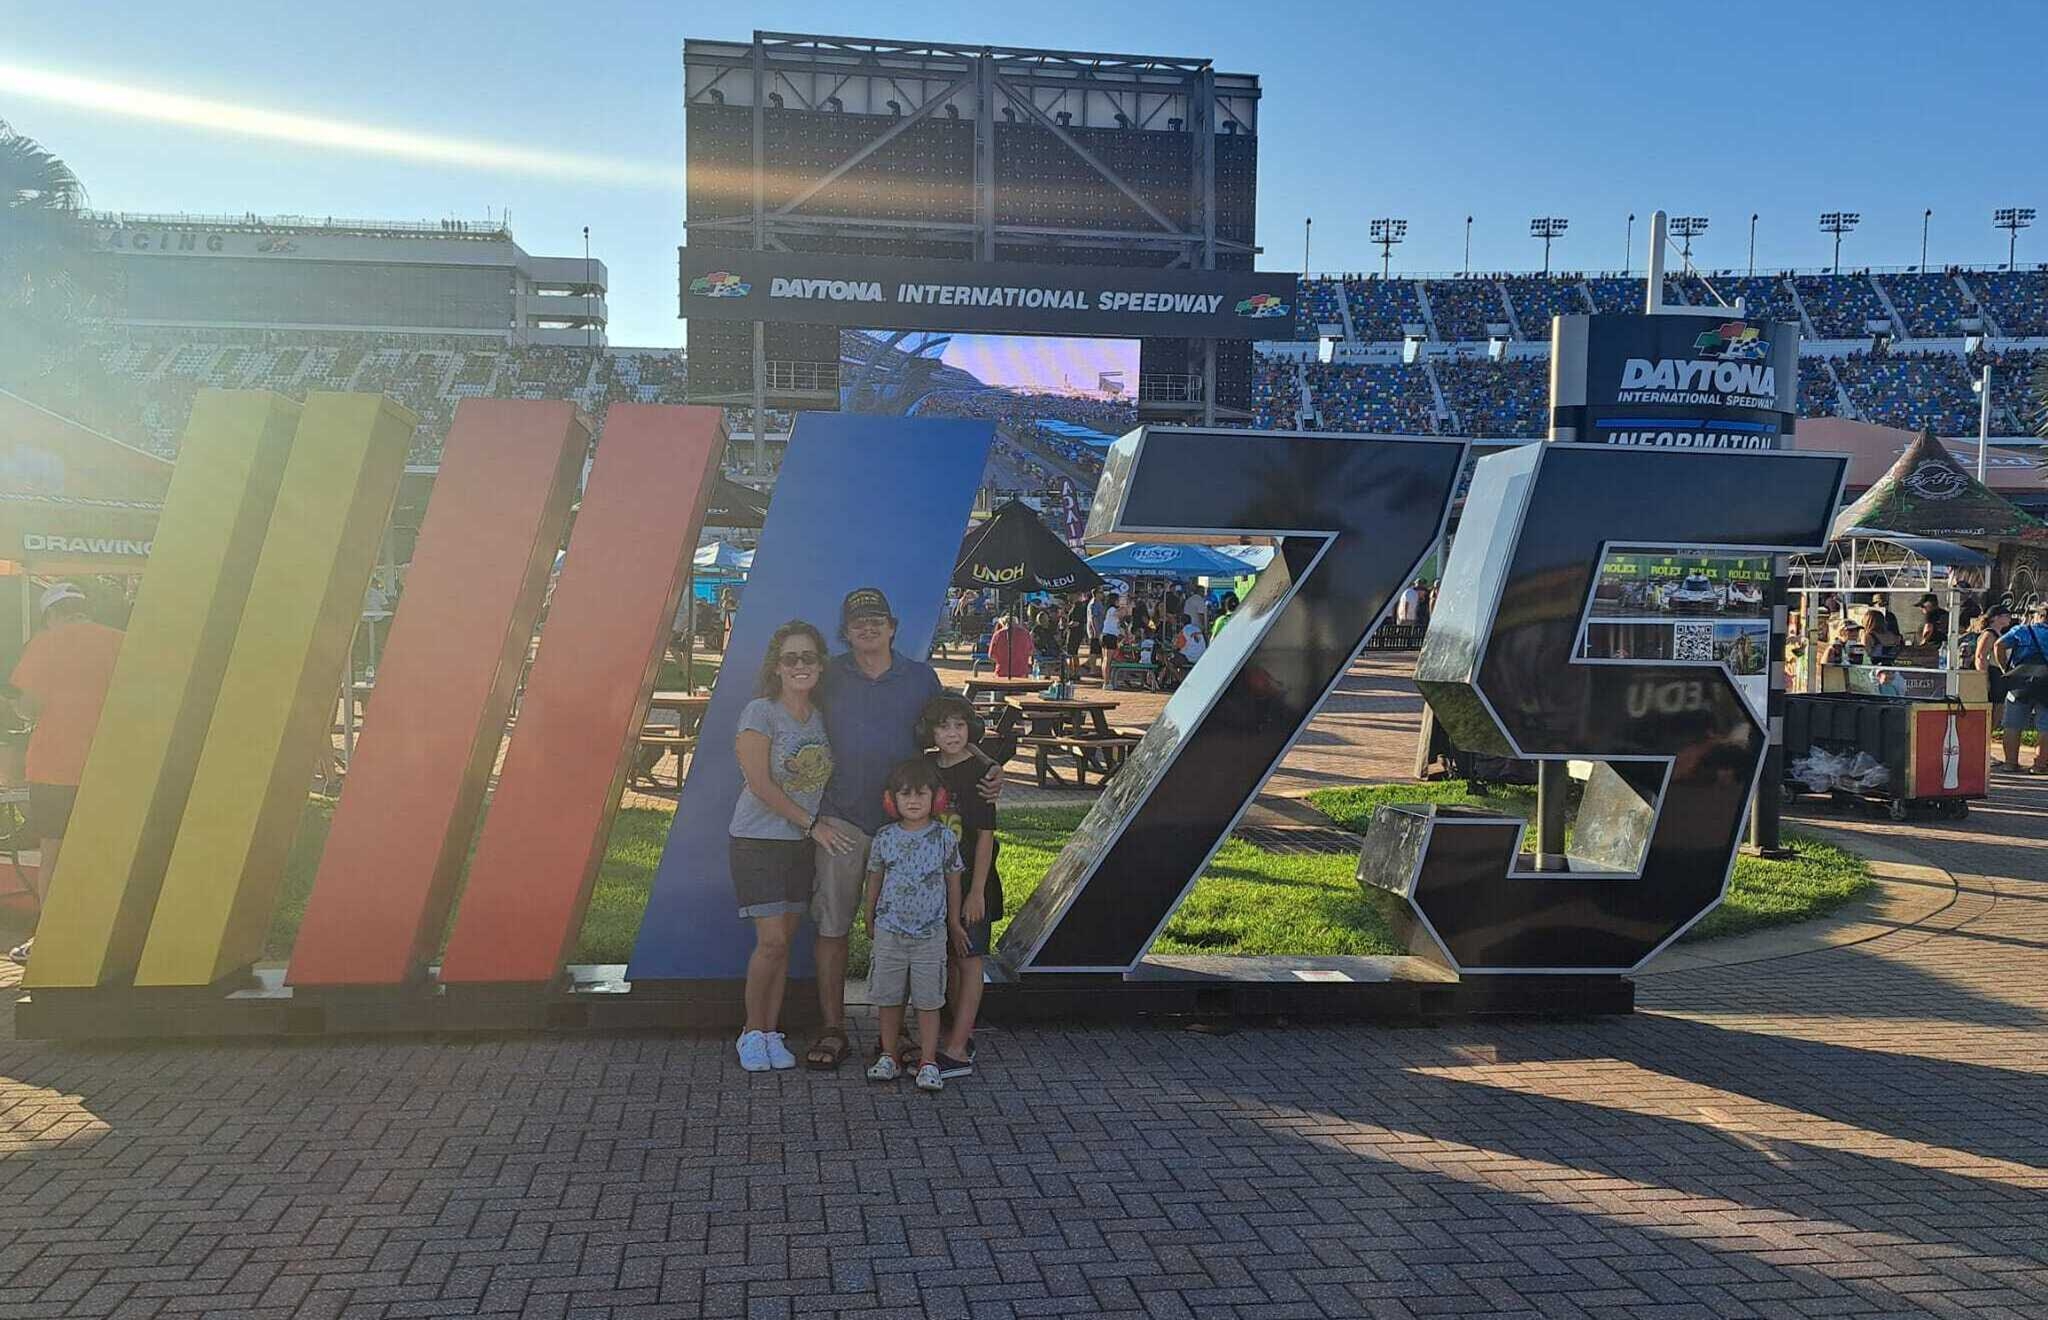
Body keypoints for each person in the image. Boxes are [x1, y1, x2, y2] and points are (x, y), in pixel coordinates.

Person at [806, 588, 998, 1070]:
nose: (867, 628)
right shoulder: (828, 675)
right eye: (858, 622)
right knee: (833, 926)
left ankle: (900, 1034)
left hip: (909, 826)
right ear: (845, 632)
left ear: (892, 627)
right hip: (842, 820)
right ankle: (833, 1027)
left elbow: (952, 728)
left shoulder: (920, 677)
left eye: (876, 620)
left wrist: (987, 766)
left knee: (913, 931)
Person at [728, 620, 848, 1072]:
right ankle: (750, 1031)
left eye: (809, 657)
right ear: (776, 667)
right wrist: (810, 823)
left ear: (821, 665)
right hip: (758, 842)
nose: (800, 665)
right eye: (791, 658)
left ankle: (770, 1031)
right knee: (772, 942)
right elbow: (759, 783)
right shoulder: (760, 713)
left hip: (800, 847)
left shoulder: (822, 716)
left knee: (786, 944)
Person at [5, 584, 125, 966]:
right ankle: (106, 934)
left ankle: (50, 939)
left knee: (53, 852)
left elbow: (30, 707)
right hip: (110, 766)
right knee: (105, 850)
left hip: (54, 766)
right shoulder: (120, 641)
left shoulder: (45, 643)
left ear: (51, 616)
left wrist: (18, 708)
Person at [860, 758, 962, 1093]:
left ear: (937, 798)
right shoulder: (884, 837)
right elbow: (874, 878)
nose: (914, 800)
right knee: (889, 998)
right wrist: (869, 914)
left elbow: (953, 881)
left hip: (930, 935)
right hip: (890, 932)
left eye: (921, 793)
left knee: (928, 1000)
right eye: (905, 794)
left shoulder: (945, 837)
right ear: (892, 800)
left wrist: (953, 922)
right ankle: (888, 1055)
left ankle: (928, 1061)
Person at [921, 694, 1000, 1078]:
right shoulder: (925, 768)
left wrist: (977, 891)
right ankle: (957, 1033)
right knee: (949, 958)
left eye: (959, 725)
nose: (952, 734)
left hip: (971, 884)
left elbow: (985, 836)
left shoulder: (980, 773)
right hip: (933, 885)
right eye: (943, 726)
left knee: (969, 959)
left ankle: (957, 1048)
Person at [1993, 603, 2048, 773]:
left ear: (2038, 616)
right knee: (2045, 725)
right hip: (2046, 682)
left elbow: (1999, 645)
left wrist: (2005, 669)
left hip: (2019, 680)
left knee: (2012, 724)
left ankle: (2010, 763)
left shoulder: (2021, 630)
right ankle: (2039, 765)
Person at [988, 611, 1034, 679]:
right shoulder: (1026, 634)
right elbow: (1031, 652)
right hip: (1021, 672)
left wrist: (1002, 660)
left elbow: (991, 655)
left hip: (1001, 672)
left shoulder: (997, 634)